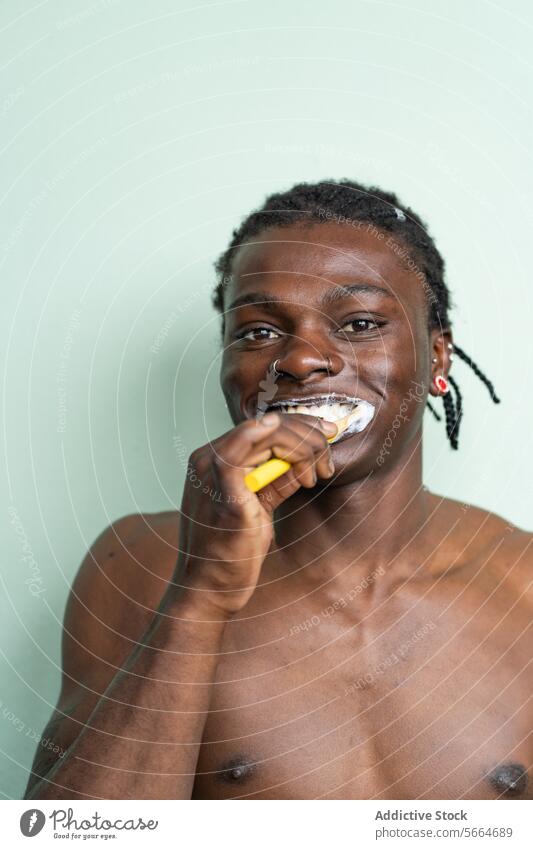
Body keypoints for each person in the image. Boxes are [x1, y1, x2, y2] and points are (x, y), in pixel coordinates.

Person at [25, 180, 532, 800]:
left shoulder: (523, 586)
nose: (300, 359)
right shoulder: (137, 564)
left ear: (436, 358)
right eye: (258, 332)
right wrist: (199, 597)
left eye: (360, 323)